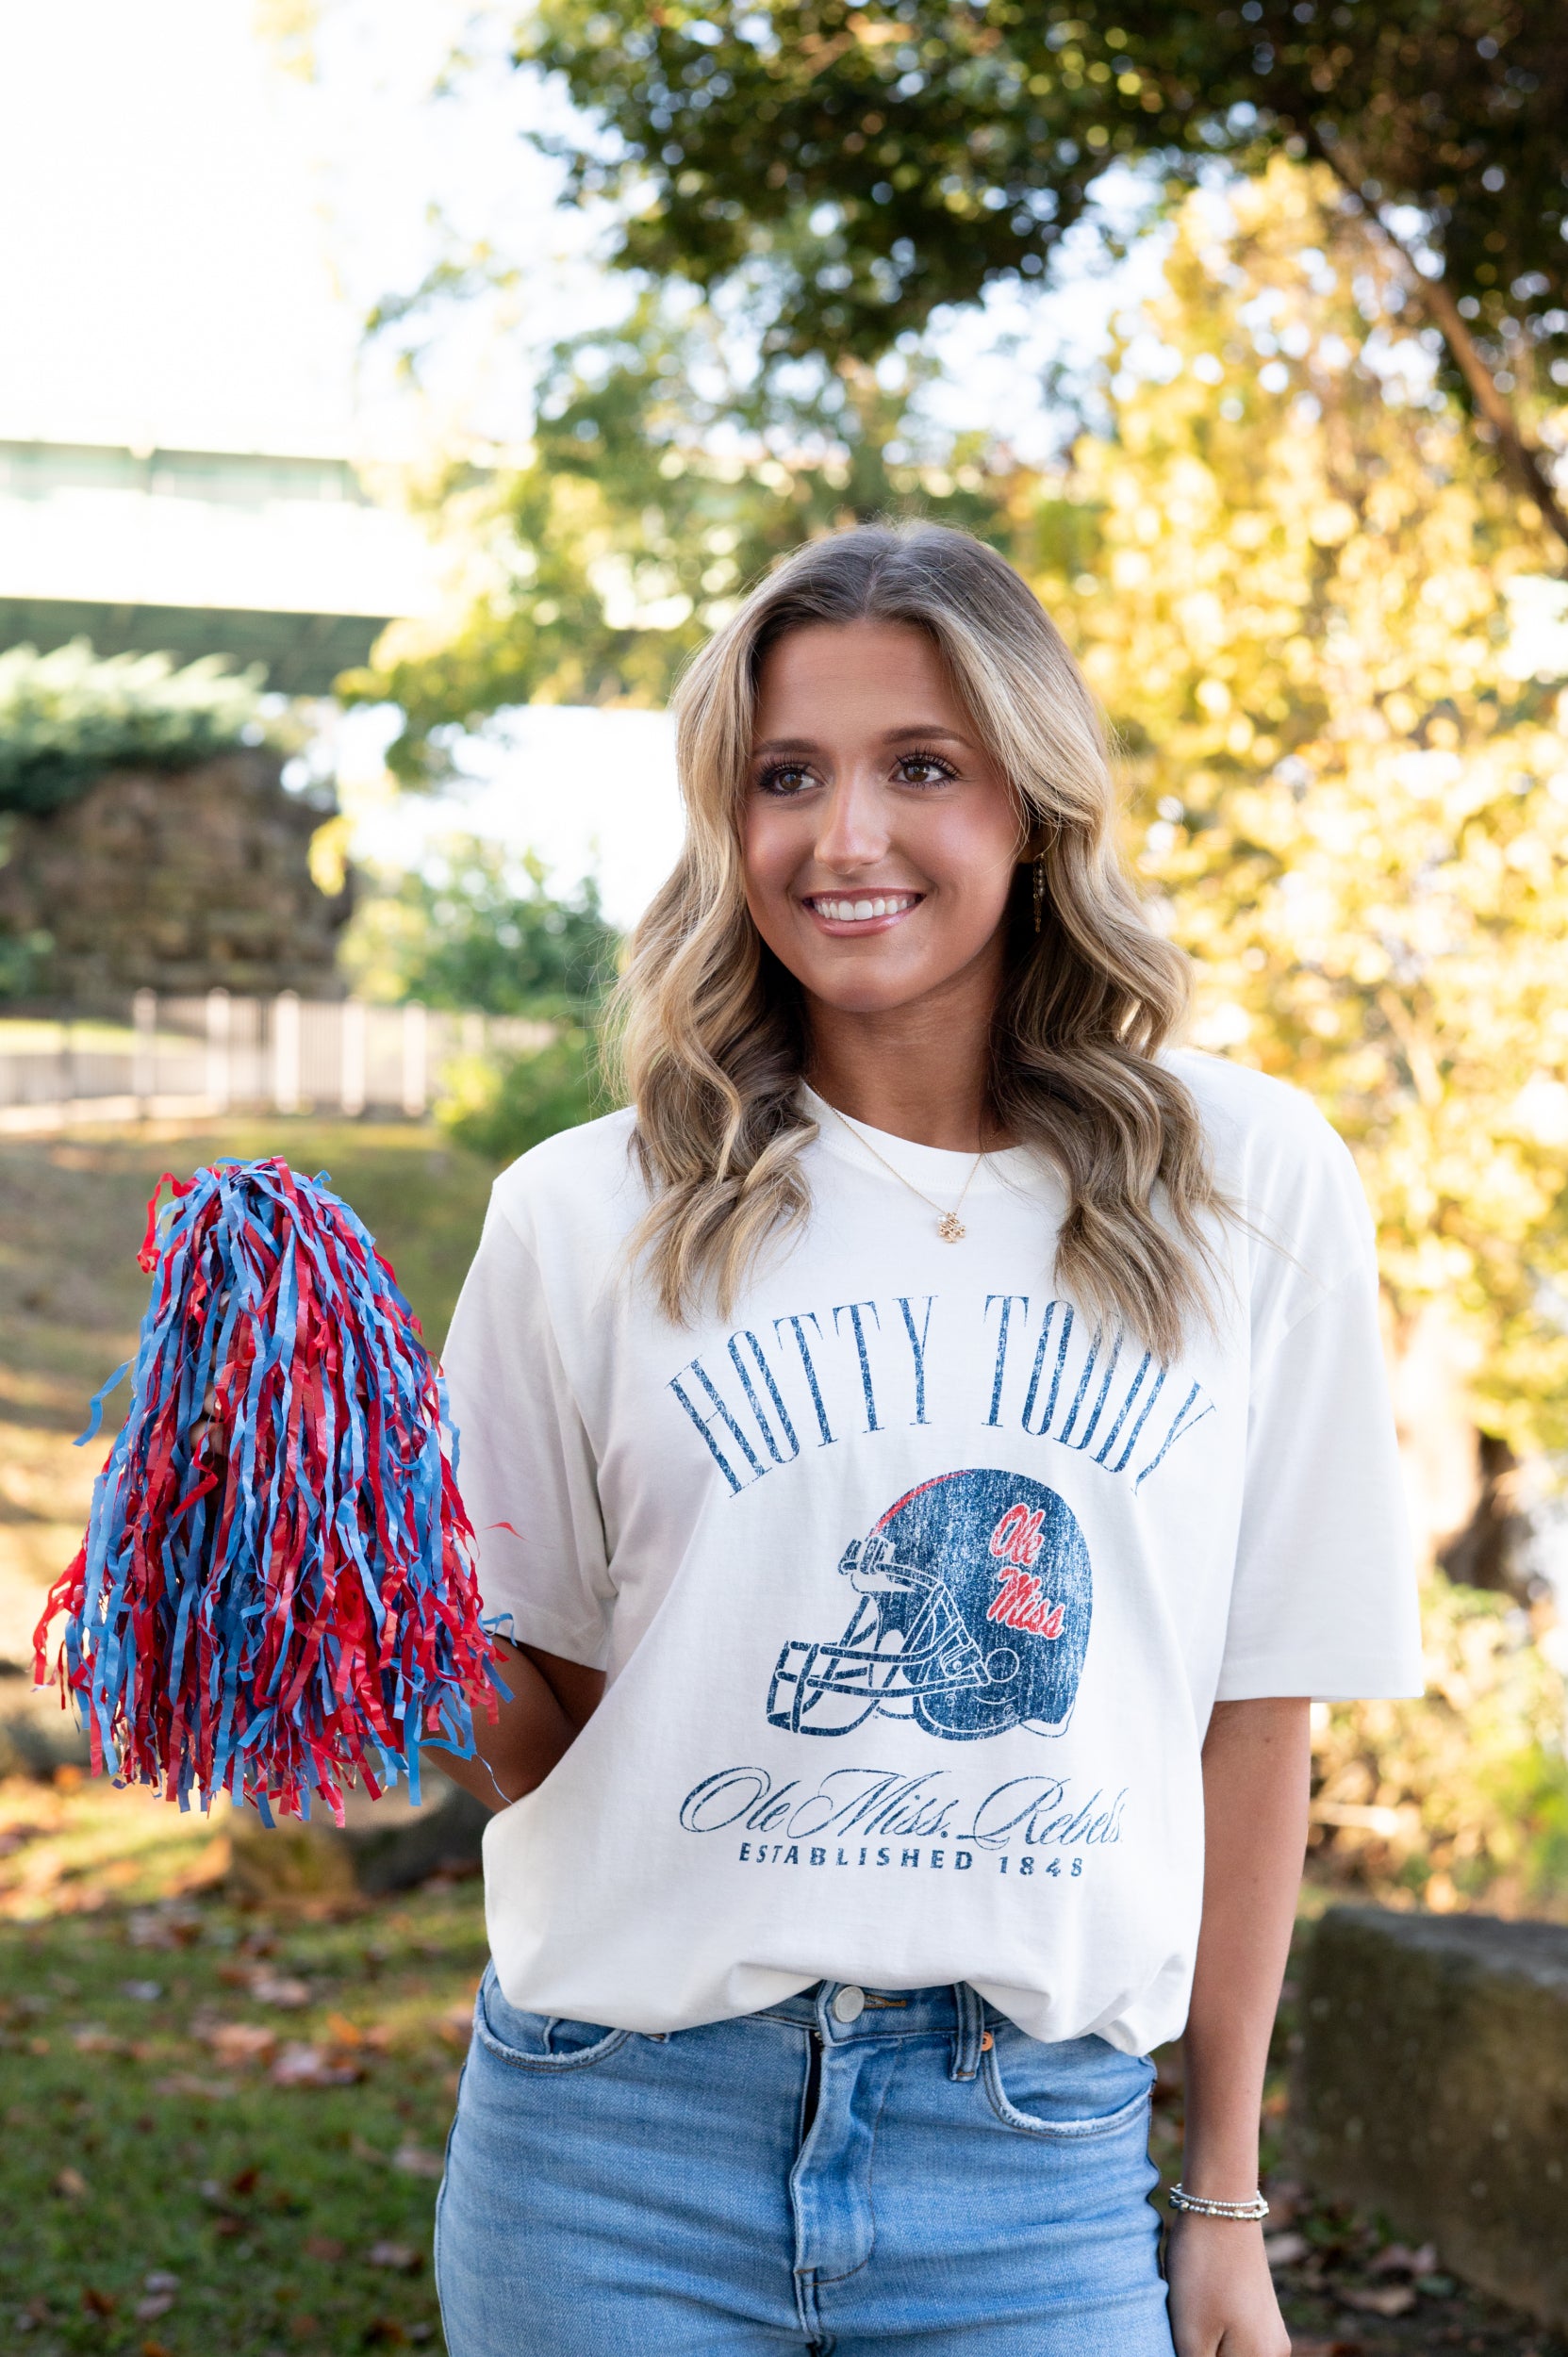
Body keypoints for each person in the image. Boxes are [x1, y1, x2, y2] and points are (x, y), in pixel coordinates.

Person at [431, 522, 1422, 2357]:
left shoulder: (1246, 1185)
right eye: (785, 776)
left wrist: (1218, 2199)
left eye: (921, 768)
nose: (846, 837)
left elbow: (1256, 1719)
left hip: (1031, 2165)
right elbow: (546, 1720)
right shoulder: (586, 1211)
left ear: (1035, 806)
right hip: (611, 2146)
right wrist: (367, 1607)